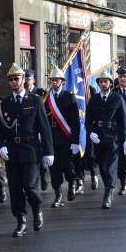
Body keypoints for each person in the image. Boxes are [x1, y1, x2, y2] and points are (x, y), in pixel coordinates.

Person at [0, 63, 54, 237]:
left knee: (30, 187)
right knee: (14, 189)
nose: (14, 82)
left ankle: (37, 210)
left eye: (17, 78)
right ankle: (21, 221)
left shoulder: (35, 100)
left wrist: (48, 151)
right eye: (11, 79)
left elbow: (44, 127)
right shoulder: (5, 103)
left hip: (30, 150)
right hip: (13, 151)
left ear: (23, 80)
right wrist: (1, 146)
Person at [85, 71, 126, 209]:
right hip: (98, 137)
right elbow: (88, 119)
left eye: (105, 81)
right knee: (102, 167)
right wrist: (90, 132)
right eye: (100, 82)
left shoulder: (117, 98)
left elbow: (124, 120)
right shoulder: (94, 99)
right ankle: (108, 186)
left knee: (110, 166)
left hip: (113, 136)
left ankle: (108, 193)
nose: (103, 84)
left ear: (110, 83)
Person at [45, 67, 80, 207]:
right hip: (51, 139)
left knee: (68, 167)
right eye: (52, 80)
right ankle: (58, 195)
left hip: (66, 138)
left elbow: (75, 121)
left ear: (62, 82)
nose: (54, 82)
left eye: (57, 80)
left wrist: (75, 141)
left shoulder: (69, 97)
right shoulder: (46, 98)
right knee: (54, 169)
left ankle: (71, 183)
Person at [25, 69, 48, 191]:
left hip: (39, 127)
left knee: (42, 155)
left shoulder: (40, 93)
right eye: (25, 79)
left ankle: (43, 175)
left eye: (28, 79)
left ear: (33, 80)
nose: (26, 81)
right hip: (30, 128)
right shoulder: (22, 92)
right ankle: (36, 180)